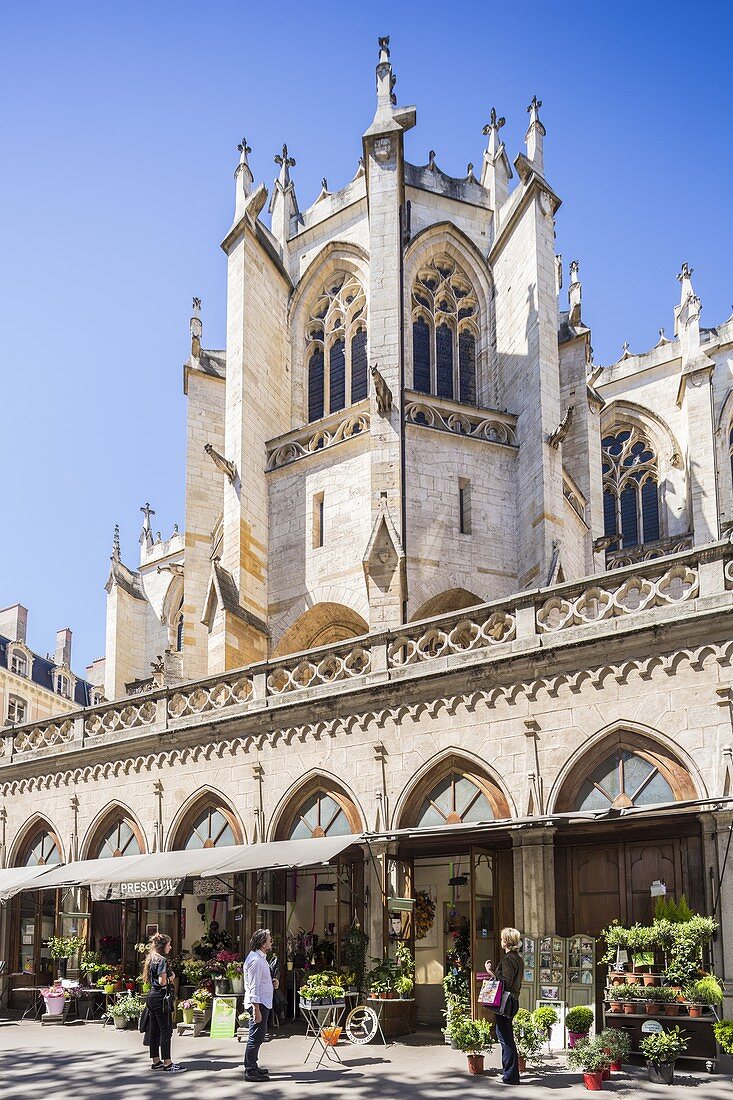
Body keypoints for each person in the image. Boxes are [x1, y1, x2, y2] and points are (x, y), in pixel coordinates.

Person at [485, 927, 523, 1085]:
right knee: (507, 1036)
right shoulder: (518, 958)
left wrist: (491, 973)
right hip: (513, 1000)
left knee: (505, 1038)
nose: (501, 941)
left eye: (502, 939)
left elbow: (505, 982)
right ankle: (511, 1073)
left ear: (506, 942)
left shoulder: (508, 959)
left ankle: (510, 1075)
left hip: (506, 1001)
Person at [143, 932, 185, 1074]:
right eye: (168, 945)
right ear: (162, 946)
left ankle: (156, 1061)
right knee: (166, 1030)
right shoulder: (161, 960)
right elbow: (162, 982)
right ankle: (168, 1063)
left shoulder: (151, 958)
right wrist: (171, 978)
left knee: (154, 1030)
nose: (170, 947)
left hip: (152, 996)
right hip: (161, 997)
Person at [243, 928, 278, 1082]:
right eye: (269, 940)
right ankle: (250, 1070)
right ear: (263, 943)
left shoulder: (260, 958)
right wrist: (256, 1009)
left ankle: (253, 1065)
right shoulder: (256, 961)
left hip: (262, 1002)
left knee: (258, 1036)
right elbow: (253, 987)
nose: (271, 942)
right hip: (258, 1003)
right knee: (255, 1037)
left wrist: (271, 982)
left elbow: (260, 981)